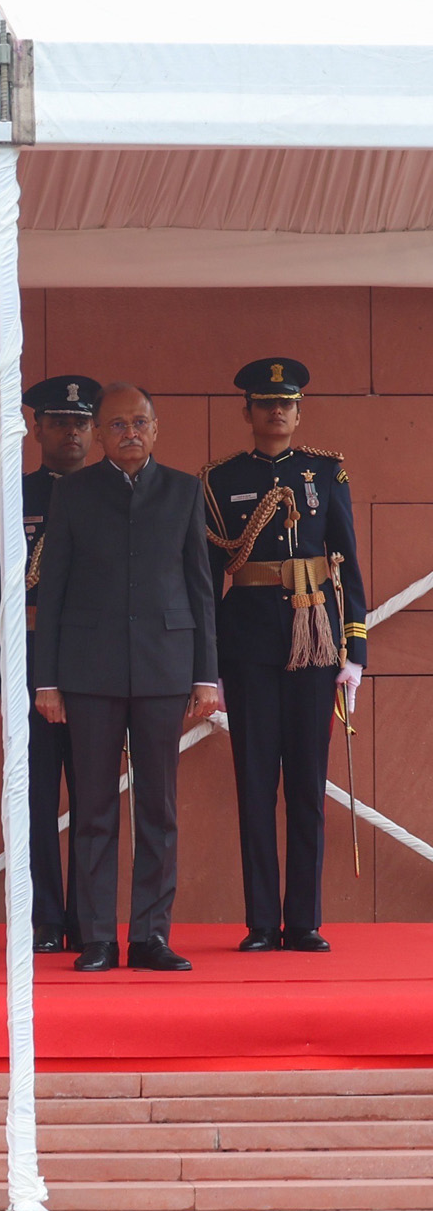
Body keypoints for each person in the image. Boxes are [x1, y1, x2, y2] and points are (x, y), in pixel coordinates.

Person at [32, 383, 218, 974]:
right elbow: (53, 591)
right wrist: (47, 681)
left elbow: (200, 589)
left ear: (156, 429)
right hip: (89, 671)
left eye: (140, 423)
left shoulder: (186, 491)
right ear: (99, 433)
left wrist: (206, 675)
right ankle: (96, 939)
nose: (129, 433)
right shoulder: (76, 494)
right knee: (92, 808)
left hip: (166, 666)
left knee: (158, 807)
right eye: (116, 425)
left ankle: (150, 937)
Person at [203, 357, 367, 954]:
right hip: (247, 645)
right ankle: (260, 924)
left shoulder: (326, 472)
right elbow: (208, 578)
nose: (277, 411)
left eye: (288, 403)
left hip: (315, 642)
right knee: (254, 783)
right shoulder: (219, 480)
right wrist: (211, 663)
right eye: (266, 403)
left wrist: (356, 651)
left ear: (298, 412)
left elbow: (347, 559)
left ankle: (303, 922)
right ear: (247, 412)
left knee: (305, 782)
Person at [0, 375, 97, 953]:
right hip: (26, 667)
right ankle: (46, 915)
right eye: (59, 422)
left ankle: (88, 918)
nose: (70, 431)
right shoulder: (7, 497)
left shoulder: (110, 494)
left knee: (95, 798)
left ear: (93, 431)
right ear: (39, 429)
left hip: (97, 668)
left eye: (81, 422)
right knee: (36, 798)